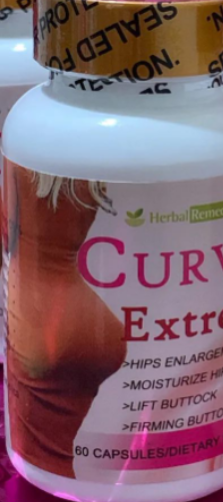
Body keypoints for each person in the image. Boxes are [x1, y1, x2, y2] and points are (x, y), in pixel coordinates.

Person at [4, 163, 127, 478]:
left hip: (41, 324)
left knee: (42, 458)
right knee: (60, 451)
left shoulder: (21, 161)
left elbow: (6, 237)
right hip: (95, 322)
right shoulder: (92, 166)